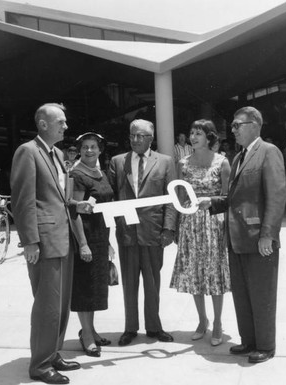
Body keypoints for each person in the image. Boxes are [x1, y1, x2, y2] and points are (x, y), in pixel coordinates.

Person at [10, 103, 93, 385]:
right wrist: (30, 241)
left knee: (61, 304)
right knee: (47, 304)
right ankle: (40, 365)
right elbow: (23, 201)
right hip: (44, 242)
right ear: (43, 124)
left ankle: (53, 352)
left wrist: (76, 204)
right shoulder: (28, 152)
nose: (66, 126)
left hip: (63, 237)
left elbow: (56, 197)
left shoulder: (56, 154)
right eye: (61, 121)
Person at [198, 106, 286, 364]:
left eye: (238, 125)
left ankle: (266, 346)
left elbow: (276, 196)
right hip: (236, 238)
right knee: (243, 293)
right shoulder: (237, 158)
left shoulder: (269, 152)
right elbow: (235, 198)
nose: (233, 130)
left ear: (255, 125)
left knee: (262, 293)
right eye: (233, 126)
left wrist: (268, 234)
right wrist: (213, 202)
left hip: (259, 238)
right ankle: (248, 341)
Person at [108, 119, 177, 346]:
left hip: (153, 232)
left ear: (150, 138)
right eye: (132, 135)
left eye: (140, 136)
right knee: (129, 283)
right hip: (127, 233)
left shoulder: (165, 162)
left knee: (152, 282)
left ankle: (154, 327)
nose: (135, 140)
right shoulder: (118, 162)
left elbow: (172, 198)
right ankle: (130, 328)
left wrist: (168, 228)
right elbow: (110, 197)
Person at [170, 119, 231, 346]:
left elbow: (227, 199)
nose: (193, 137)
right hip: (190, 224)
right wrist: (177, 226)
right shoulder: (183, 164)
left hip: (214, 223)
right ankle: (201, 320)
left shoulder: (222, 163)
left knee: (215, 275)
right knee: (194, 273)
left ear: (209, 137)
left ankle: (217, 322)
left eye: (199, 133)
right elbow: (180, 197)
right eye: (192, 132)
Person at [70, 132, 114, 358]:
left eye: (93, 147)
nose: (89, 150)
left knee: (95, 287)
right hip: (85, 236)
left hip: (100, 235)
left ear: (100, 149)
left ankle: (92, 330)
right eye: (85, 147)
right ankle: (86, 335)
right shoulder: (77, 174)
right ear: (79, 149)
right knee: (85, 289)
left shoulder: (100, 172)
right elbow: (74, 211)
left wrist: (108, 243)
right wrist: (83, 244)